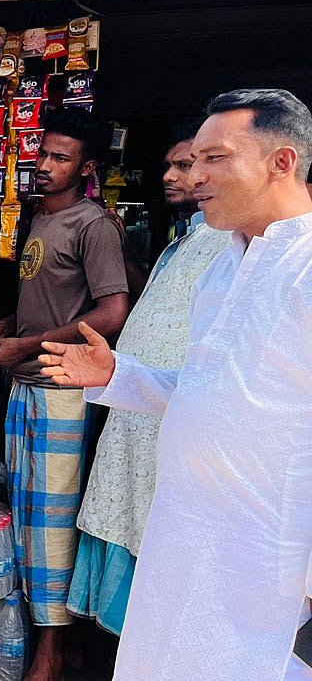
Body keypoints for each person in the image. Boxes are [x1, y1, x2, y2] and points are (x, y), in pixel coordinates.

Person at [40, 87, 312, 681]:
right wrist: (119, 376)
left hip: (278, 566)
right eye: (193, 160)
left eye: (215, 159)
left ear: (283, 161)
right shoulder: (221, 261)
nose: (195, 177)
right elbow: (206, 390)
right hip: (196, 540)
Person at [0, 107, 130, 681]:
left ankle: (51, 661)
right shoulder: (40, 218)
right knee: (27, 521)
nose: (43, 165)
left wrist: (31, 345)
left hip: (64, 389)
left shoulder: (95, 225)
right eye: (41, 153)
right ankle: (51, 645)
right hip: (27, 387)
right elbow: (46, 302)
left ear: (86, 168)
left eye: (60, 158)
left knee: (52, 524)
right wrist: (5, 327)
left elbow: (111, 312)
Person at [68, 120, 232, 637]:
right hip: (136, 402)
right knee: (127, 514)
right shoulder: (185, 240)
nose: (173, 176)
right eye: (172, 165)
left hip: (170, 413)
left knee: (156, 530)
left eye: (187, 165)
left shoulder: (235, 244)